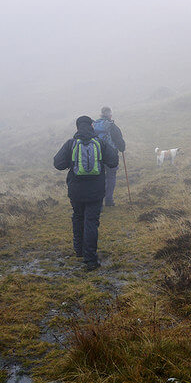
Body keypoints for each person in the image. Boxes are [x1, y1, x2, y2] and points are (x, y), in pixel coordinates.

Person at [53, 115, 118, 271]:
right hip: (96, 191)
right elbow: (113, 161)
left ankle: (80, 251)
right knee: (91, 222)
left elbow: (58, 163)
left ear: (77, 127)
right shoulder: (100, 143)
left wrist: (71, 162)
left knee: (78, 217)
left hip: (76, 191)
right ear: (92, 126)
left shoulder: (71, 144)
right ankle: (90, 259)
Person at [92, 106, 126, 206]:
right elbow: (120, 144)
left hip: (97, 156)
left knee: (99, 178)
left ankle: (99, 201)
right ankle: (109, 200)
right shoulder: (112, 127)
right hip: (111, 156)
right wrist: (122, 148)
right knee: (111, 177)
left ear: (101, 115)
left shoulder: (94, 125)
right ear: (110, 115)